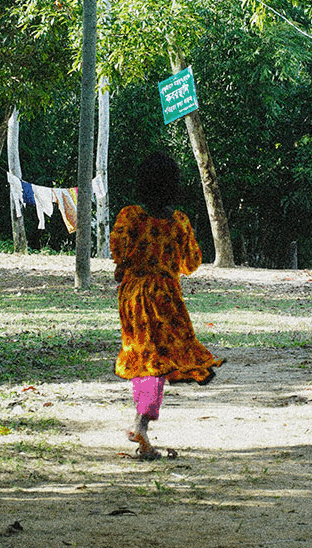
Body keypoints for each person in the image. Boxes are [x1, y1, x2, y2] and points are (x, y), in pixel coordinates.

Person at [110, 153, 225, 460]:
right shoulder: (179, 222)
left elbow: (119, 253)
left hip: (133, 297)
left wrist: (128, 266)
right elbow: (191, 263)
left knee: (142, 356)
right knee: (157, 361)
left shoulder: (130, 217)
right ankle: (142, 423)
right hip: (165, 298)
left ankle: (141, 419)